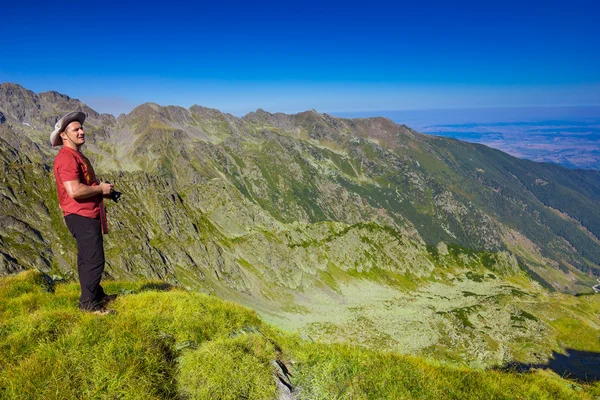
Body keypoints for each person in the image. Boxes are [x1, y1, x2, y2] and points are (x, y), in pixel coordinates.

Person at [50, 111, 116, 313]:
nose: (81, 131)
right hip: (81, 215)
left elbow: (83, 185)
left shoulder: (75, 155)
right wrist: (100, 189)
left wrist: (103, 191)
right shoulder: (67, 158)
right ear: (63, 135)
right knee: (94, 259)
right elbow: (75, 191)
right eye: (75, 129)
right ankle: (88, 305)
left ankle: (96, 295)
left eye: (81, 128)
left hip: (85, 214)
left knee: (87, 257)